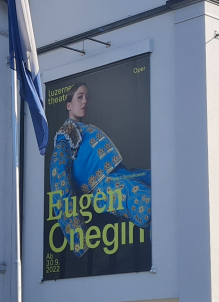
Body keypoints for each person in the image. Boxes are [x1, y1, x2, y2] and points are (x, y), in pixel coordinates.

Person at [48, 83, 151, 258]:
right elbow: (60, 185)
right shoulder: (65, 136)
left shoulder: (83, 129)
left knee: (162, 180)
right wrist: (78, 239)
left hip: (121, 175)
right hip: (102, 190)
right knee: (146, 201)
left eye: (87, 97)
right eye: (79, 97)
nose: (84, 102)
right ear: (68, 105)